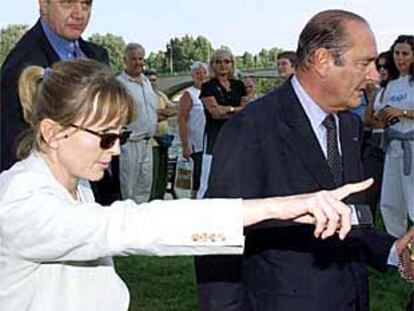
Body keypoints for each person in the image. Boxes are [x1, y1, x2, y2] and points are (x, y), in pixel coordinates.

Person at [0, 58, 371, 311]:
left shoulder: (73, 183)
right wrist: (275, 206)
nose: (114, 151)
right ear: (52, 133)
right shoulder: (20, 201)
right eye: (104, 138)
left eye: (120, 136)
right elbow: (132, 226)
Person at [195, 10, 413, 311]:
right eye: (364, 63)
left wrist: (392, 249)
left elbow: (348, 218)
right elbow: (217, 236)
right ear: (323, 61)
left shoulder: (348, 127)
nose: (375, 75)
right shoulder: (251, 129)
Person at [0, 0, 121, 205]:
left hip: (97, 196)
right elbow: (12, 148)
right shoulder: (21, 65)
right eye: (67, 2)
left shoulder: (97, 55)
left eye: (86, 4)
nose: (79, 13)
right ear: (43, 4)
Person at [197, 48, 247, 198]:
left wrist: (227, 109)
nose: (223, 65)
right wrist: (236, 109)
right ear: (212, 65)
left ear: (232, 64)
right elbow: (216, 113)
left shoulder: (239, 86)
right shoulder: (208, 87)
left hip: (237, 136)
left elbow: (247, 110)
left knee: (236, 175)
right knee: (208, 177)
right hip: (215, 137)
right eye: (218, 62)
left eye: (226, 61)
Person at [378, 35, 414, 238]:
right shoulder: (392, 84)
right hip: (394, 147)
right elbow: (387, 112)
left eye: (405, 54)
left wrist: (403, 113)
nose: (400, 58)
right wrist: (384, 116)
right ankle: (400, 253)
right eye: (397, 53)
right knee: (391, 200)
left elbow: (402, 112)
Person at [117, 43, 158, 203]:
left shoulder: (147, 82)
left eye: (141, 59)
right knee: (128, 189)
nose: (138, 62)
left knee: (144, 188)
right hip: (129, 143)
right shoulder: (119, 84)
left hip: (147, 143)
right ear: (125, 60)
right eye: (133, 59)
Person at [362, 51, 399, 215]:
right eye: (379, 67)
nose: (382, 70)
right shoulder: (378, 93)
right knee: (369, 188)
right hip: (376, 142)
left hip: (399, 143)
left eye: (386, 66)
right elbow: (367, 118)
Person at [178, 61, 209, 198]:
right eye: (198, 73)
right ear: (193, 76)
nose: (201, 76)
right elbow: (181, 119)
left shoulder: (211, 92)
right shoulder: (189, 94)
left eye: (203, 73)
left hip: (209, 143)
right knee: (196, 181)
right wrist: (185, 146)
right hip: (196, 146)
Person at [146, 70, 177, 200]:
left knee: (162, 174)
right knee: (153, 174)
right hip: (151, 141)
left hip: (164, 139)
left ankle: (159, 198)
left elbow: (175, 109)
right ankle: (151, 200)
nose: (152, 83)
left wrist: (159, 113)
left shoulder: (160, 95)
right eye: (149, 80)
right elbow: (148, 116)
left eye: (154, 80)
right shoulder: (144, 96)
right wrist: (162, 114)